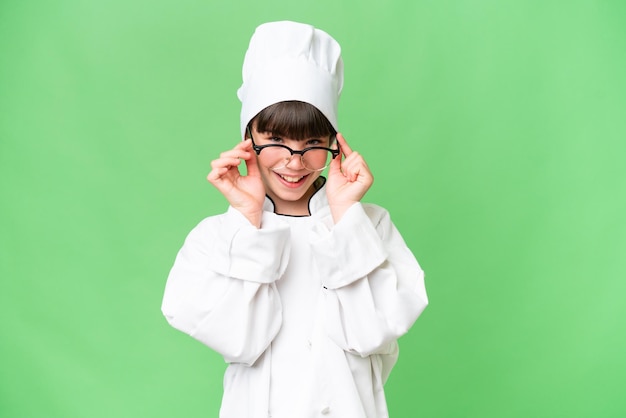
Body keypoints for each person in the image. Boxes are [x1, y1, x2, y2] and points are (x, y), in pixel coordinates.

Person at [161, 21, 428, 418]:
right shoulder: (218, 236)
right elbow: (239, 340)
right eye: (276, 141)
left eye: (312, 144)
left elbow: (370, 334)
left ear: (334, 145)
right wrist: (249, 221)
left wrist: (344, 217)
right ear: (248, 138)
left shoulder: (370, 224)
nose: (294, 161)